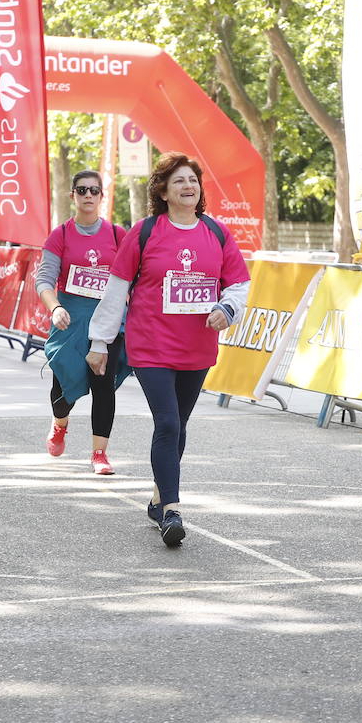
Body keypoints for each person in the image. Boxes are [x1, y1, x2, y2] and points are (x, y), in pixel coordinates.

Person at [87, 153, 249, 546]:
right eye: (178, 181)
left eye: (192, 180)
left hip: (197, 347)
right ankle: (172, 510)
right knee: (168, 422)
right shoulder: (144, 232)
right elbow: (116, 291)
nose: (188, 186)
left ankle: (159, 496)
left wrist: (226, 309)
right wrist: (99, 341)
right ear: (163, 190)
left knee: (180, 424)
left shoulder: (217, 232)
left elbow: (239, 284)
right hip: (151, 345)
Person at [37, 170, 130, 475]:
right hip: (70, 322)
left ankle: (99, 454)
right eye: (82, 190)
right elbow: (45, 280)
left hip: (108, 322)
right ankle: (59, 423)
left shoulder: (118, 235)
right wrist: (55, 309)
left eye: (94, 190)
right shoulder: (60, 235)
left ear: (102, 196)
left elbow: (134, 278)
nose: (88, 195)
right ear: (73, 195)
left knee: (104, 386)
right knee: (63, 388)